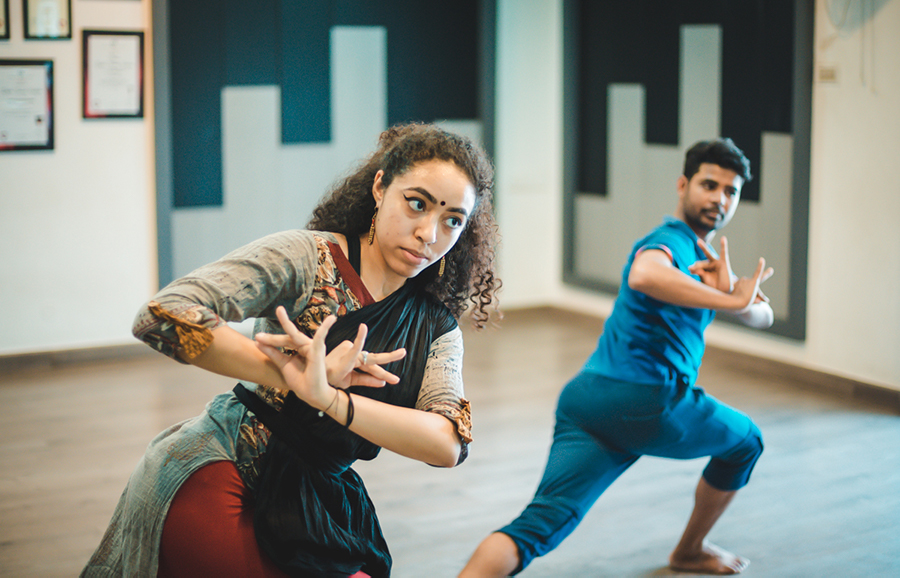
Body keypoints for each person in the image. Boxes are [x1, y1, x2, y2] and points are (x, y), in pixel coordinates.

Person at [81, 123, 500, 578]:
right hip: (223, 468)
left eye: (452, 220)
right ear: (380, 187)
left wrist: (331, 399)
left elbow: (448, 443)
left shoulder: (435, 326)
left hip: (316, 496)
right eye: (416, 204)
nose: (428, 233)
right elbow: (164, 314)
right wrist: (293, 376)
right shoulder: (310, 258)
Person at [459, 138, 774, 577]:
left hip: (586, 402)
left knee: (538, 525)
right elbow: (646, 273)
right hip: (649, 402)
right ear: (683, 185)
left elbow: (763, 314)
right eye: (709, 185)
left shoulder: (705, 259)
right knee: (748, 442)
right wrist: (725, 299)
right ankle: (689, 550)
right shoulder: (671, 241)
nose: (719, 198)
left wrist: (733, 297)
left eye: (731, 191)